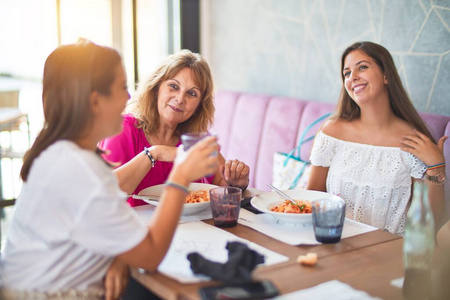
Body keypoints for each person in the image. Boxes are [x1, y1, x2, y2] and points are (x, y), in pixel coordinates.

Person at [0, 40, 219, 300]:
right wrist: (180, 176)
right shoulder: (81, 172)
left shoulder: (60, 151)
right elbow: (150, 255)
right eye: (122, 87)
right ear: (95, 102)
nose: (129, 97)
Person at [307, 41, 447, 235]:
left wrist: (437, 167)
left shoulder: (413, 142)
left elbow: (430, 226)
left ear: (386, 75)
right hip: (334, 247)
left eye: (362, 67)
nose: (352, 77)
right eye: (346, 73)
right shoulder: (332, 133)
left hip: (388, 256)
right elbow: (312, 198)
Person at [99, 50, 250, 206]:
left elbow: (221, 182)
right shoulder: (123, 129)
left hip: (193, 227)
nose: (180, 99)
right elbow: (104, 194)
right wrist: (154, 153)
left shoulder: (199, 139)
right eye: (173, 86)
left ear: (199, 105)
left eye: (192, 93)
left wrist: (236, 182)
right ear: (157, 87)